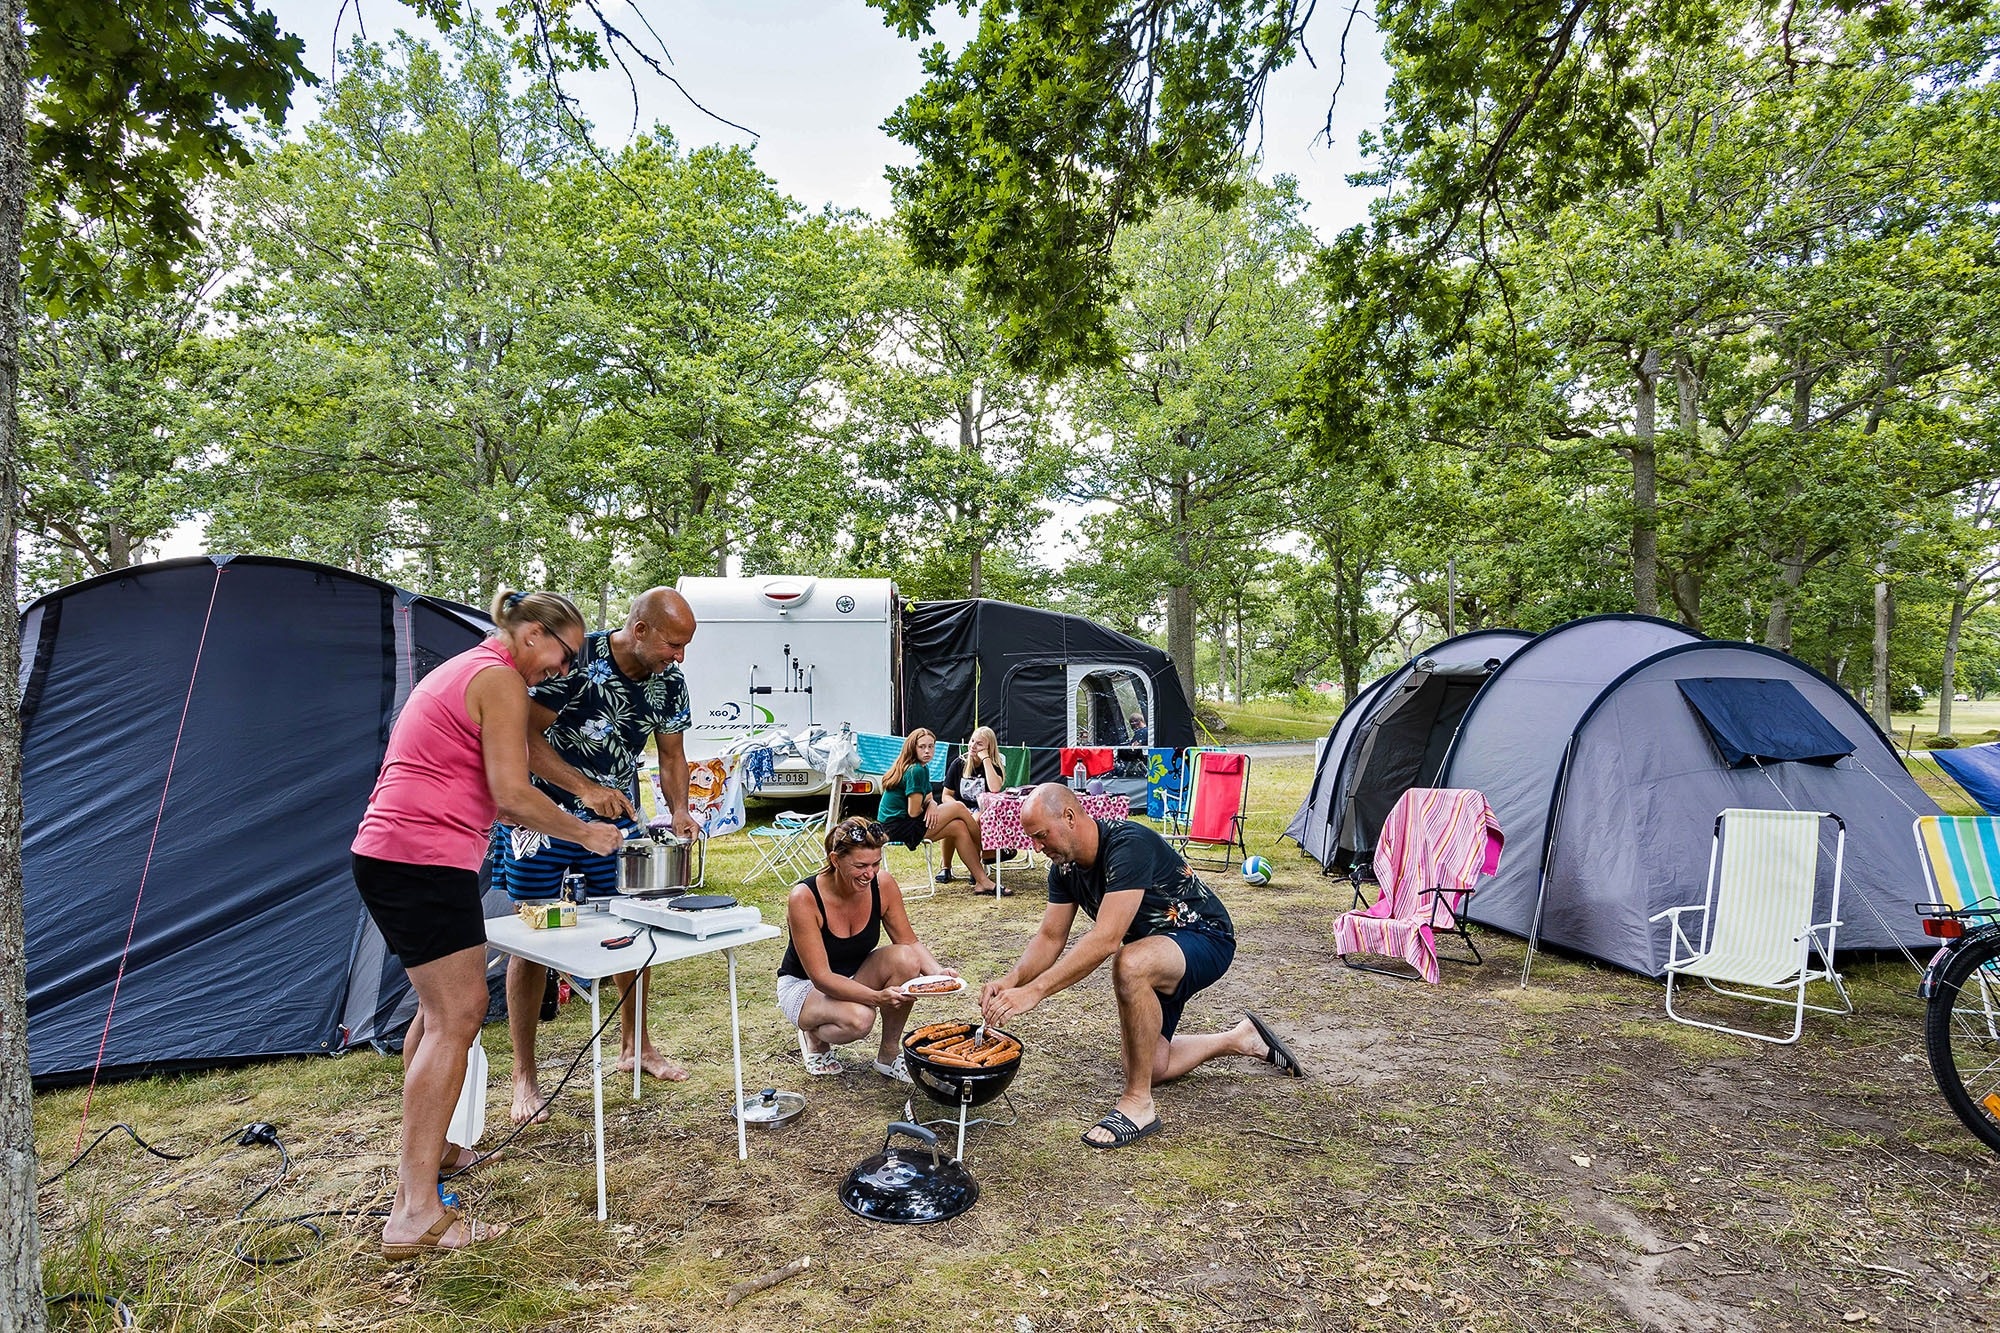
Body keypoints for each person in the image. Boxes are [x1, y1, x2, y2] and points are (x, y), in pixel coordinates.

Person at [351, 588, 623, 1257]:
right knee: (460, 1013)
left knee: (436, 1010)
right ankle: (415, 1211)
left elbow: (524, 746)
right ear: (531, 634)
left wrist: (583, 786)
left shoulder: (473, 670)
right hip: (420, 858)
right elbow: (510, 793)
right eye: (562, 655)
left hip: (396, 854)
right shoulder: (499, 676)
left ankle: (436, 1150)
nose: (562, 670)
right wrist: (584, 831)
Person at [979, 783, 1303, 1150]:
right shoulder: (1065, 870)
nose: (1037, 847)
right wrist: (1012, 980)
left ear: (1069, 817)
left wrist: (1034, 992)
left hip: (1205, 938)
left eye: (1041, 836)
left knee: (1129, 963)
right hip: (1156, 954)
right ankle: (1240, 1039)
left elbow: (1105, 939)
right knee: (1153, 1065)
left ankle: (1138, 1105)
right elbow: (1050, 938)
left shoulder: (1127, 844)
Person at [494, 587, 698, 1124]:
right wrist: (583, 789)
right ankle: (524, 1077)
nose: (679, 656)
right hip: (539, 815)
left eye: (685, 647)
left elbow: (672, 754)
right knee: (532, 939)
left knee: (631, 928)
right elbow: (524, 738)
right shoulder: (571, 660)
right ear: (639, 629)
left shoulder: (669, 680)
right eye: (673, 644)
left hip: (617, 821)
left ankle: (636, 1045)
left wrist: (679, 808)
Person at [778, 817, 956, 1081]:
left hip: (856, 974)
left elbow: (909, 941)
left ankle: (888, 1055)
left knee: (907, 959)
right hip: (807, 986)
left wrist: (939, 975)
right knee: (860, 1020)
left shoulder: (882, 884)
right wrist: (877, 998)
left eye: (875, 864)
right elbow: (822, 977)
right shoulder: (804, 897)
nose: (869, 874)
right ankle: (813, 1035)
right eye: (860, 865)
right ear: (835, 860)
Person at [877, 727, 1002, 896]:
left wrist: (932, 805)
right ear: (912, 747)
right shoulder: (916, 770)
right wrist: (931, 805)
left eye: (931, 746)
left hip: (899, 824)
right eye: (922, 747)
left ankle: (983, 882)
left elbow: (929, 798)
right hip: (898, 828)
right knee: (958, 807)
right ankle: (987, 849)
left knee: (958, 826)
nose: (927, 751)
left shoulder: (921, 767)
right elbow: (914, 812)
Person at [937, 724, 1013, 884]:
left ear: (989, 747)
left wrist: (985, 759)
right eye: (972, 741)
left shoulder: (994, 765)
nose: (973, 746)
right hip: (959, 807)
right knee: (954, 821)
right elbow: (946, 795)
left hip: (984, 809)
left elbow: (995, 788)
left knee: (976, 818)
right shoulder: (959, 763)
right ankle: (946, 867)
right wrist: (959, 808)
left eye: (979, 744)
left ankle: (976, 867)